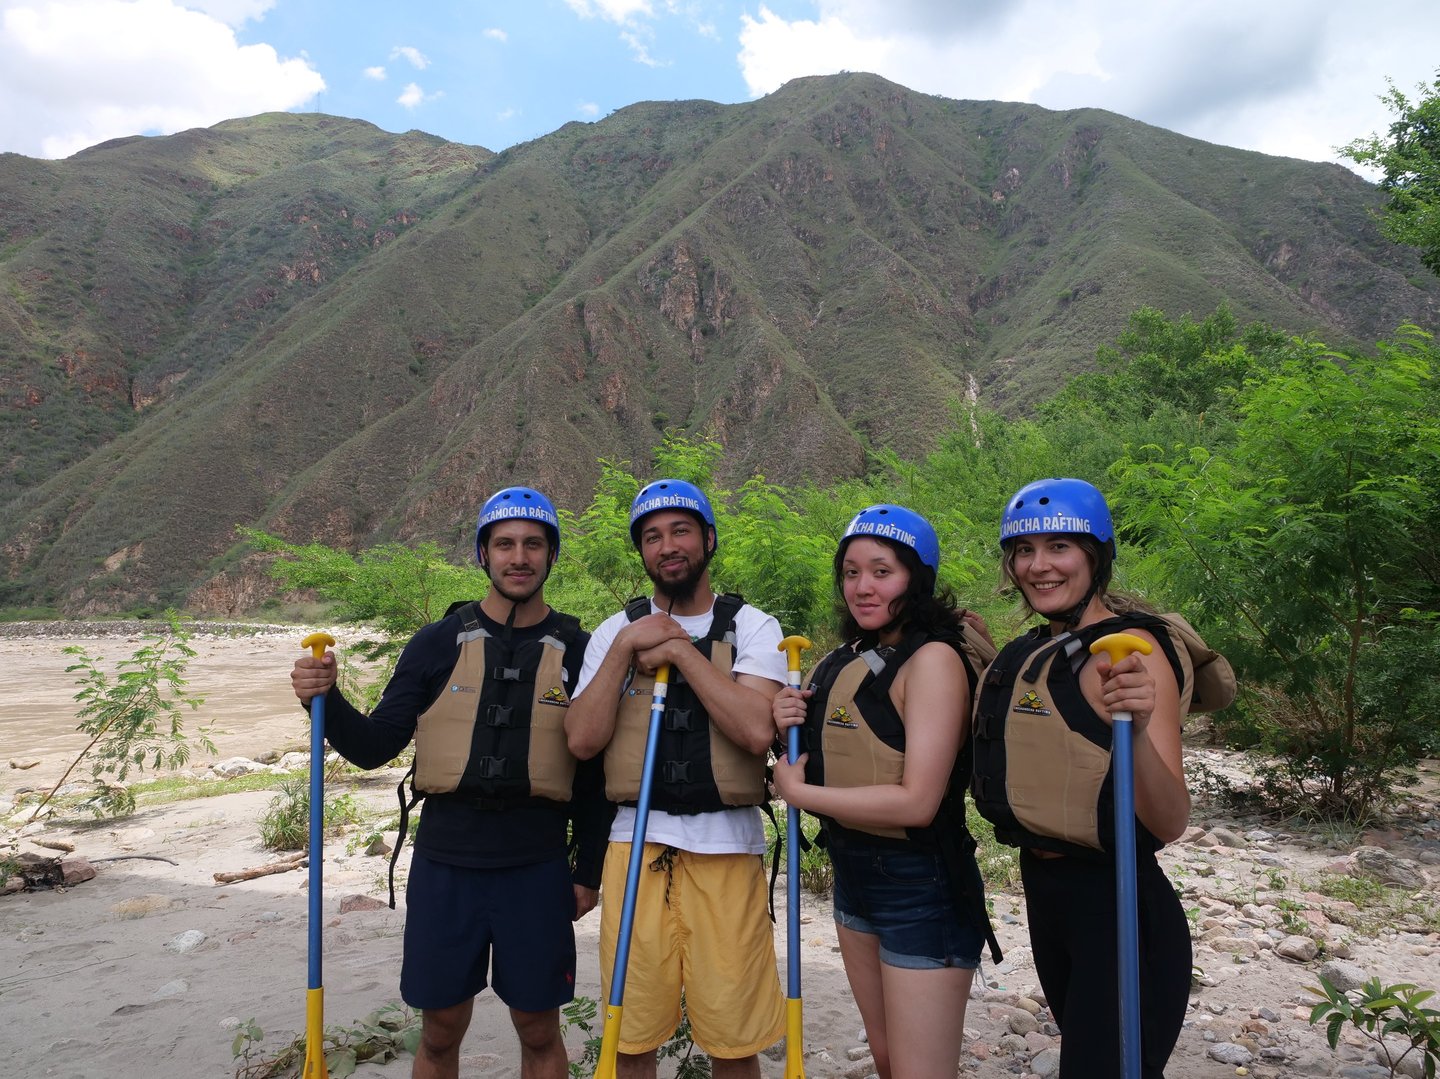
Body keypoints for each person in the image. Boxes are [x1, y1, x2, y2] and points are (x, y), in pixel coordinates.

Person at [289, 486, 613, 1079]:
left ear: (551, 556)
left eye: (534, 544)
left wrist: (586, 872)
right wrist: (325, 699)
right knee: (438, 1033)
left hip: (535, 868)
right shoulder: (436, 644)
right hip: (446, 865)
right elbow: (373, 747)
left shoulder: (579, 650)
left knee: (540, 1030)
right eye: (505, 544)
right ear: (483, 555)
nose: (520, 557)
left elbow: (593, 782)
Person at [970, 477, 1194, 1079]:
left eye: (1059, 547)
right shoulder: (1037, 648)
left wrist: (1141, 728)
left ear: (1096, 556)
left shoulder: (1128, 649)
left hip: (1119, 906)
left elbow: (1171, 819)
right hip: (1048, 897)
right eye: (1024, 550)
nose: (1039, 566)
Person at [565, 478, 786, 1079]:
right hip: (633, 845)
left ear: (708, 539)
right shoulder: (615, 631)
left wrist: (682, 652)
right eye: (653, 536)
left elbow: (754, 732)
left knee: (733, 1040)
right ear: (642, 553)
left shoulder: (754, 628)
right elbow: (582, 740)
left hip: (727, 848)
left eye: (681, 531)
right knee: (630, 1032)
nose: (668, 546)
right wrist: (625, 650)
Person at [770, 504, 999, 1079]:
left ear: (916, 578)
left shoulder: (935, 661)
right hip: (855, 875)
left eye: (881, 571)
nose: (862, 587)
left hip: (923, 885)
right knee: (888, 1058)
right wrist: (787, 720)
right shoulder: (843, 660)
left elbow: (918, 802)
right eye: (851, 572)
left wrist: (802, 798)